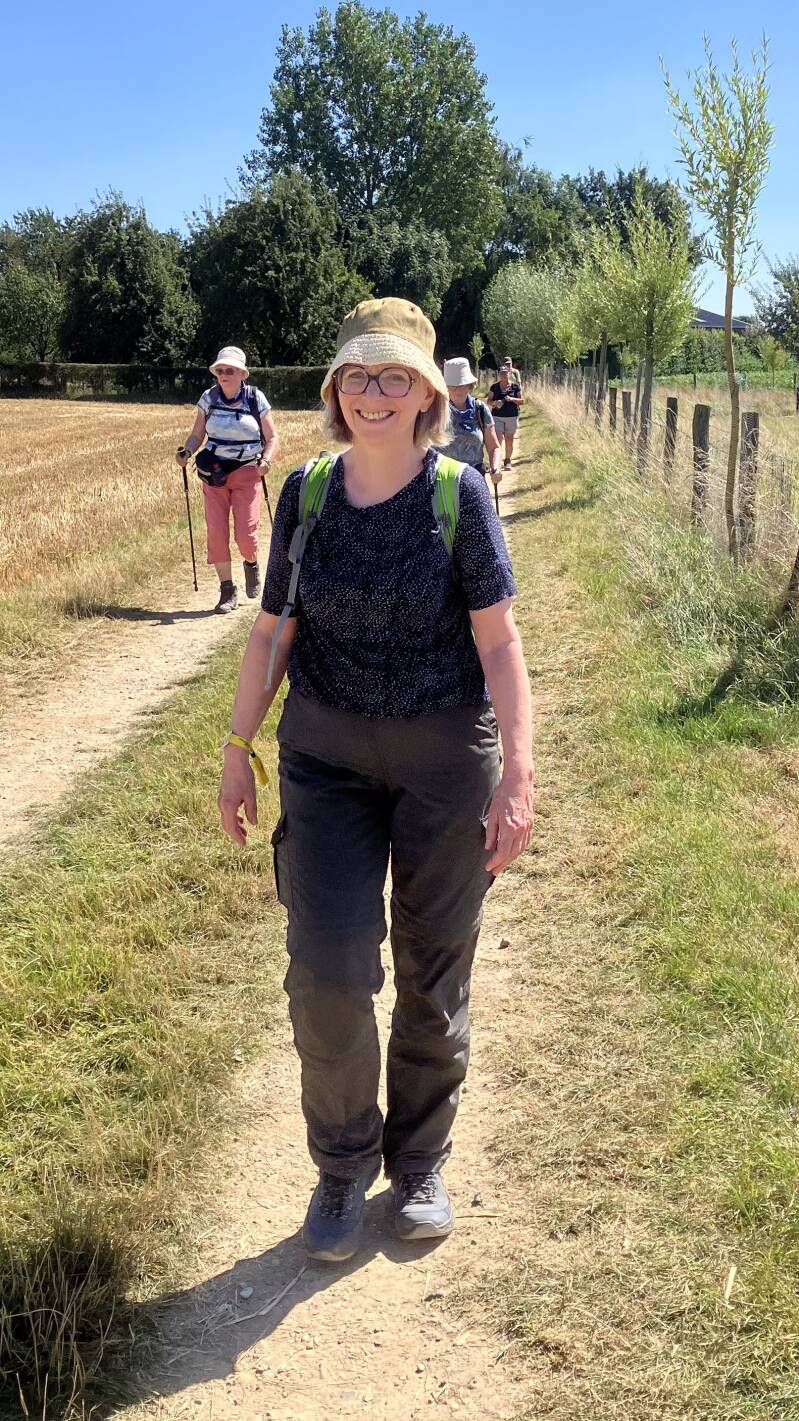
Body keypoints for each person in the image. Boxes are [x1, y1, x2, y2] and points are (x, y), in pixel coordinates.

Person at [218, 297, 534, 1264]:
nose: (374, 392)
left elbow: (499, 642)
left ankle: (420, 1161)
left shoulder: (458, 495)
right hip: (325, 758)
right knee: (326, 971)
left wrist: (518, 774)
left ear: (428, 393)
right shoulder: (307, 492)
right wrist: (236, 746)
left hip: (445, 761)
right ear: (334, 391)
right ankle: (342, 1164)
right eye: (357, 375)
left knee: (433, 977)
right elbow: (271, 632)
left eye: (395, 375)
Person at [176, 347, 279, 613]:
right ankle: (227, 591)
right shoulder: (208, 398)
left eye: (229, 370)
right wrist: (187, 451)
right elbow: (197, 435)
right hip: (214, 474)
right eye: (220, 370)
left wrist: (266, 461)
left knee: (245, 534)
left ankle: (251, 564)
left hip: (247, 472)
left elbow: (272, 438)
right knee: (217, 533)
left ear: (241, 374)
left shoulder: (255, 398)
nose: (223, 374)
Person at [439, 356, 502, 486]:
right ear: (445, 386)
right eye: (453, 385)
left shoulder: (480, 409)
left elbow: (493, 447)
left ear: (470, 385)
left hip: (474, 479)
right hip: (444, 481)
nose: (458, 389)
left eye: (462, 384)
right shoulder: (437, 411)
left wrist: (495, 468)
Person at [488, 363, 524, 471]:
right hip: (497, 416)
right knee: (498, 439)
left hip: (511, 416)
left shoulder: (515, 387)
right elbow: (488, 401)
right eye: (502, 373)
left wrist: (512, 399)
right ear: (499, 375)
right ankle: (496, 461)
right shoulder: (494, 387)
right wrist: (495, 403)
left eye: (506, 373)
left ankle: (507, 460)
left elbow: (522, 401)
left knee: (509, 439)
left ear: (509, 374)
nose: (504, 375)